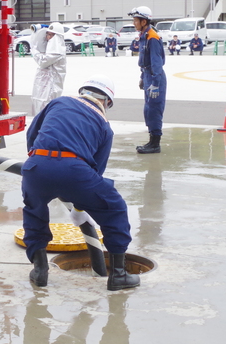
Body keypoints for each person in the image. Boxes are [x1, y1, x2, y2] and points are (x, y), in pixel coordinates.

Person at [22, 75, 140, 291]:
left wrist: (37, 165)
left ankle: (40, 271)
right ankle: (119, 275)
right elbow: (96, 171)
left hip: (36, 165)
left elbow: (32, 134)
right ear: (106, 102)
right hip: (74, 170)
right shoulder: (104, 125)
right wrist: (79, 206)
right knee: (114, 208)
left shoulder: (58, 102)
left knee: (34, 212)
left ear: (83, 91)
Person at [130, 6, 166, 154]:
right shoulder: (144, 35)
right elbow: (144, 60)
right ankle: (151, 141)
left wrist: (155, 84)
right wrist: (142, 77)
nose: (134, 23)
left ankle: (155, 144)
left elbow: (157, 63)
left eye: (136, 20)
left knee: (154, 110)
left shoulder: (152, 37)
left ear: (144, 21)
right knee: (148, 110)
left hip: (154, 77)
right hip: (147, 75)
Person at [30, 22, 66, 115]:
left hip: (51, 87)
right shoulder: (50, 50)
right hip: (43, 85)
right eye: (48, 34)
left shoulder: (57, 52)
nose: (48, 37)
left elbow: (43, 62)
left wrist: (34, 51)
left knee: (47, 109)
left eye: (51, 35)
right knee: (39, 107)